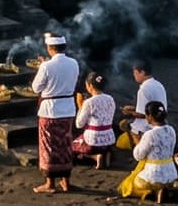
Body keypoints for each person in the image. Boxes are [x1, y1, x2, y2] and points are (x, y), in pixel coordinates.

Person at [30, 31, 80, 195]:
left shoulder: (46, 66)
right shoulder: (74, 63)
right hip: (68, 108)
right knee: (65, 145)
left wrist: (43, 68)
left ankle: (50, 183)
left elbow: (36, 88)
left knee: (49, 146)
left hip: (50, 110)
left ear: (50, 48)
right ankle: (66, 182)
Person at [118, 101, 178, 203]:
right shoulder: (171, 130)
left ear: (150, 116)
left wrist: (138, 141)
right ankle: (163, 188)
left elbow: (138, 156)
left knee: (135, 183)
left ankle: (151, 191)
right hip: (171, 174)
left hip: (154, 174)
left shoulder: (150, 134)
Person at [71, 70, 118, 168]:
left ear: (90, 86)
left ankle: (95, 157)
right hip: (109, 137)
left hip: (93, 139)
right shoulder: (110, 98)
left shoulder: (89, 102)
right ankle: (105, 153)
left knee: (72, 147)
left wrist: (80, 107)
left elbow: (79, 124)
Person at [124, 57, 168, 139]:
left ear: (142, 72)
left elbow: (143, 115)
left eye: (135, 73)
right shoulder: (159, 85)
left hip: (145, 128)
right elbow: (154, 107)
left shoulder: (143, 89)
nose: (134, 75)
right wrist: (134, 109)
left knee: (124, 124)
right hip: (160, 123)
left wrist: (128, 112)